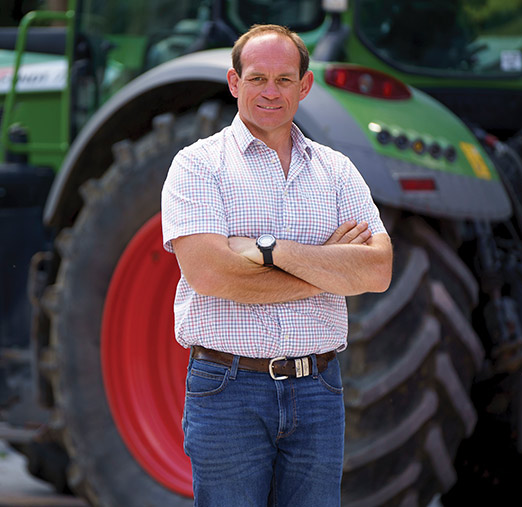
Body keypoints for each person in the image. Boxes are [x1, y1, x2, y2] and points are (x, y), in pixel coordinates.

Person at [160, 24, 393, 506]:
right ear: (233, 82)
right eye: (258, 78)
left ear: (304, 86)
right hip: (228, 390)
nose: (271, 91)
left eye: (284, 80)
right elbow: (210, 275)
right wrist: (329, 269)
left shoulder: (336, 170)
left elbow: (377, 270)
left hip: (318, 389)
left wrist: (271, 250)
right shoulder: (197, 166)